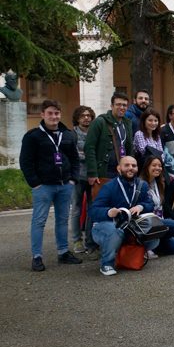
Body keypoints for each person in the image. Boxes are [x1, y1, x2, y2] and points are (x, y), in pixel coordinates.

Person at [20, 99, 82, 271]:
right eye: (50, 113)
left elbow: (75, 159)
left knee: (62, 220)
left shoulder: (68, 134)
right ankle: (37, 256)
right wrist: (35, 183)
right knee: (39, 221)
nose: (54, 116)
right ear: (43, 114)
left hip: (65, 185)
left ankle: (63, 252)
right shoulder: (33, 136)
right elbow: (26, 161)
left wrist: (73, 179)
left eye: (56, 113)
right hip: (43, 187)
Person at [90, 156, 155, 276]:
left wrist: (141, 207)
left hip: (129, 226)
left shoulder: (142, 185)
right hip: (107, 225)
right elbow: (93, 211)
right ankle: (107, 264)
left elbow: (150, 204)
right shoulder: (109, 186)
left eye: (134, 166)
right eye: (127, 165)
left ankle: (133, 253)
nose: (131, 168)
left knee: (154, 229)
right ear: (119, 168)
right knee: (115, 231)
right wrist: (108, 212)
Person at [84, 92, 133, 204]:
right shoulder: (100, 122)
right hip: (104, 172)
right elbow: (89, 148)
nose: (122, 107)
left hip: (122, 172)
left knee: (120, 204)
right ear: (111, 106)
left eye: (124, 105)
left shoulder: (127, 124)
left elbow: (130, 149)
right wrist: (92, 173)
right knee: (101, 205)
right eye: (118, 104)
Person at [138, 156, 174, 258]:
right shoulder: (140, 184)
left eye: (160, 166)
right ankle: (146, 245)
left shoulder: (159, 182)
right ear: (147, 167)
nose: (157, 168)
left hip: (160, 219)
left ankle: (155, 242)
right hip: (148, 221)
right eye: (154, 165)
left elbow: (163, 204)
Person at [69, 105, 96, 255]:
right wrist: (90, 155)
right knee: (76, 208)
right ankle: (77, 240)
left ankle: (90, 240)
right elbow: (73, 155)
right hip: (78, 176)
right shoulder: (72, 134)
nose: (86, 118)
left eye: (88, 116)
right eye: (83, 116)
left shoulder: (95, 132)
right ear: (77, 118)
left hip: (93, 175)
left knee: (92, 208)